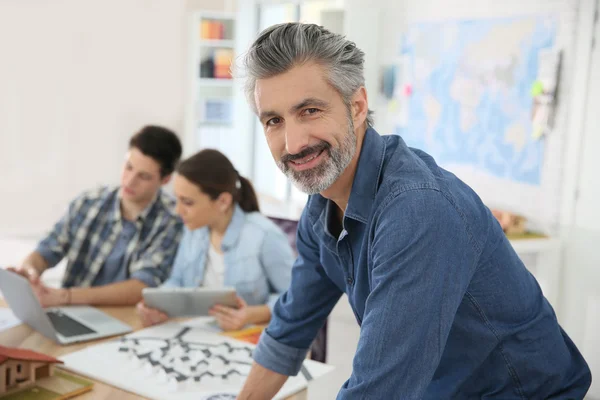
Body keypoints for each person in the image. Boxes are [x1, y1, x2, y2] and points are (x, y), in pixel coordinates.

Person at [236, 23, 592, 399]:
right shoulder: (320, 205)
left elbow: (379, 388)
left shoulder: (417, 209)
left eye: (309, 110)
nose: (292, 143)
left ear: (356, 107)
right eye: (274, 120)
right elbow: (289, 331)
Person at [7, 125, 183, 307]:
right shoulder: (89, 202)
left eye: (144, 176)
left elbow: (141, 287)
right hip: (70, 313)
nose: (130, 180)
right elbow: (47, 249)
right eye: (128, 167)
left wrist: (66, 297)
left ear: (165, 180)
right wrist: (29, 269)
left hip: (127, 319)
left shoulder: (172, 221)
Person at [136, 149, 294, 332]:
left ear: (223, 202)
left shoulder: (265, 236)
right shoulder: (193, 229)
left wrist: (250, 314)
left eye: (187, 202)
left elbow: (295, 297)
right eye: (177, 200)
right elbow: (177, 282)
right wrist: (155, 304)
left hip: (248, 338)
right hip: (196, 333)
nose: (178, 211)